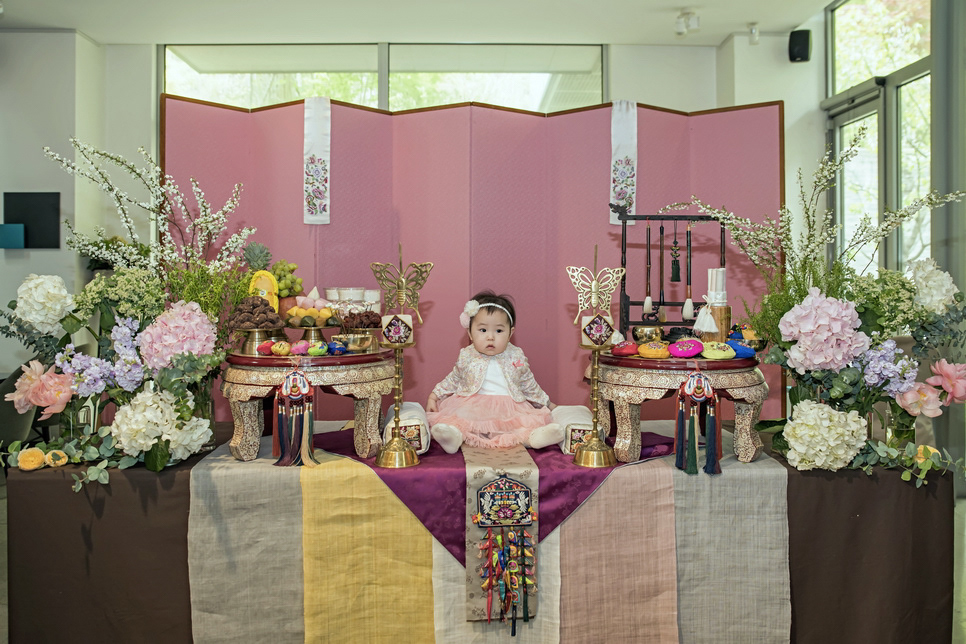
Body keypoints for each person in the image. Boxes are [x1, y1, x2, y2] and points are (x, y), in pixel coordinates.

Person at [426, 290, 563, 454]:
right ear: (470, 333)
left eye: (498, 331)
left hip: (510, 407)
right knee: (460, 421)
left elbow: (528, 384)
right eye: (483, 330)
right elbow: (454, 379)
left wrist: (548, 404)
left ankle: (534, 438)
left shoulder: (516, 355)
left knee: (520, 426)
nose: (490, 337)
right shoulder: (467, 355)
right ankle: (453, 437)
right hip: (472, 405)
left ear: (510, 333)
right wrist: (434, 395)